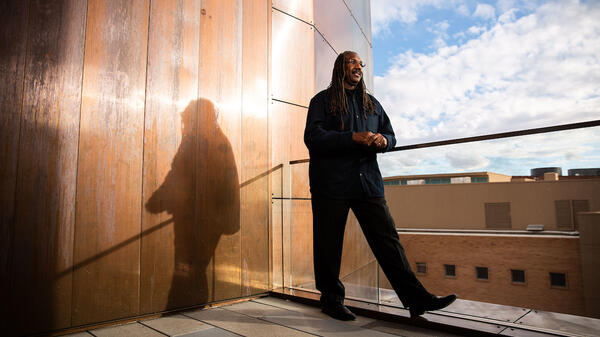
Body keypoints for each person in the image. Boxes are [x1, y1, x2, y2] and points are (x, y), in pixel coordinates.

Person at [304, 51, 457, 321]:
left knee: (388, 242)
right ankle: (330, 300)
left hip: (368, 184)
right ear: (340, 66)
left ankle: (416, 300)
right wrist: (352, 137)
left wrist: (384, 142)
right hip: (331, 184)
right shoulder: (322, 101)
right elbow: (313, 137)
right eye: (352, 62)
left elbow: (391, 135)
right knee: (328, 245)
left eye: (360, 63)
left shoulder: (372, 104)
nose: (358, 66)